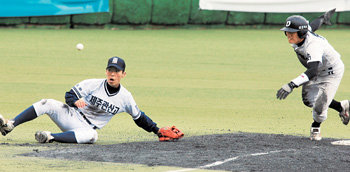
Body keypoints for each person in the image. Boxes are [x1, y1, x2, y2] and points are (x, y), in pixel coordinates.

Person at [0, 56, 183, 143]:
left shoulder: (125, 97)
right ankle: (10, 125)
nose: (112, 74)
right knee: (47, 102)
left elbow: (139, 117)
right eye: (110, 70)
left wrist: (157, 130)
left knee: (93, 136)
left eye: (116, 71)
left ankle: (49, 137)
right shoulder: (92, 83)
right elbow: (69, 94)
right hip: (71, 115)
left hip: (85, 128)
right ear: (106, 71)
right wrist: (74, 102)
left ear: (123, 74)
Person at [276, 10, 349, 141]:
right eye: (287, 32)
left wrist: (291, 84)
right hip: (316, 69)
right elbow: (312, 26)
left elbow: (312, 71)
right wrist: (323, 18)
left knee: (320, 107)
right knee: (309, 100)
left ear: (302, 33)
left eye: (292, 32)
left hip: (330, 73)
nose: (288, 35)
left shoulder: (313, 46)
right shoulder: (301, 36)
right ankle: (341, 106)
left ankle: (316, 127)